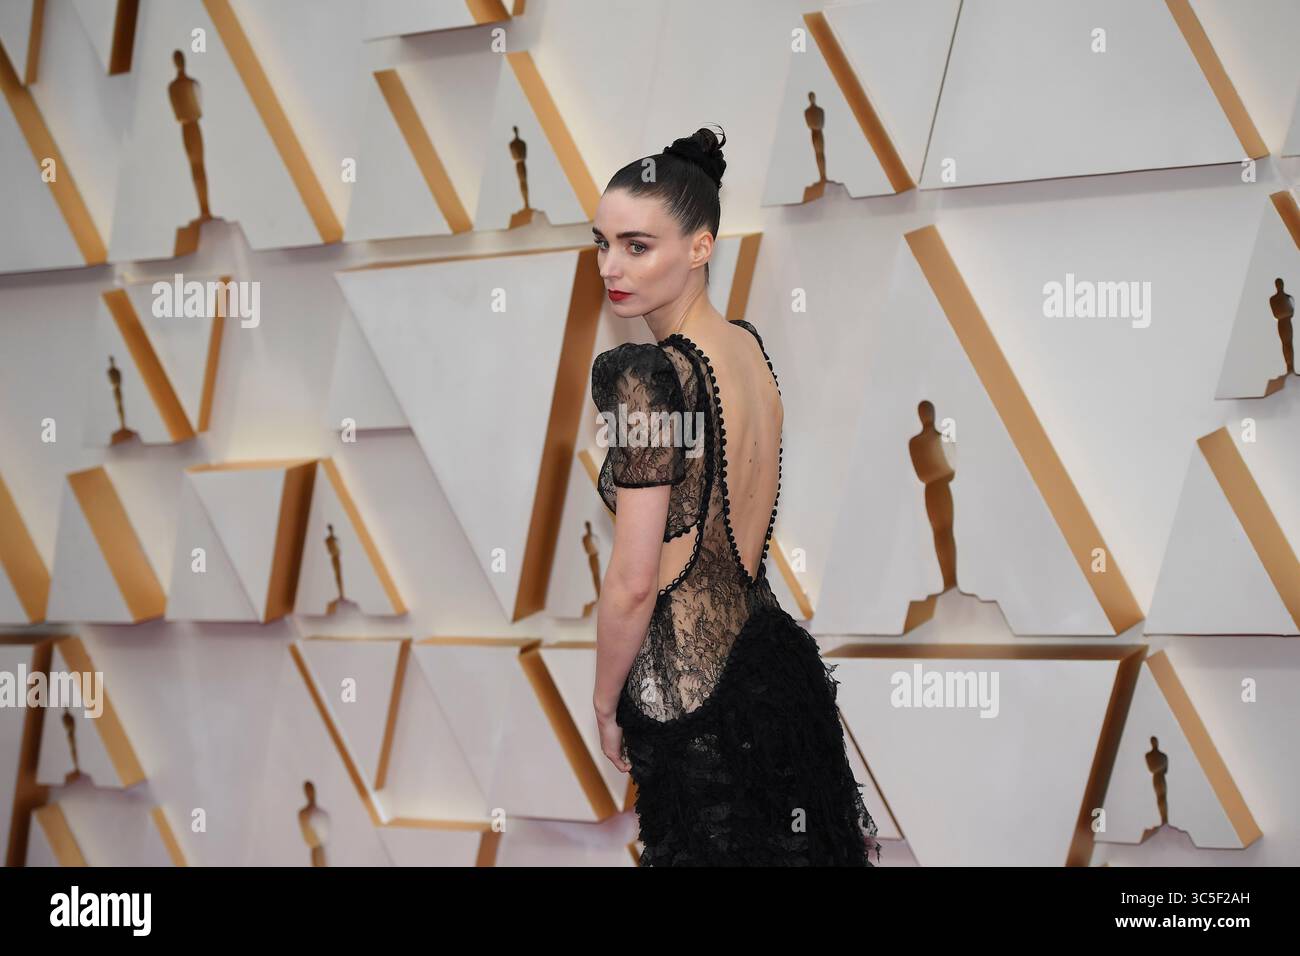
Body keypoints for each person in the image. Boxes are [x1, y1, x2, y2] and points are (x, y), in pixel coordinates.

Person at [590, 125, 881, 866]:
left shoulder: (644, 378)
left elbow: (631, 582)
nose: (611, 267)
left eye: (636, 245)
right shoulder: (748, 350)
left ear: (700, 247)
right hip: (771, 672)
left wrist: (602, 700)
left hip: (686, 698)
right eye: (602, 244)